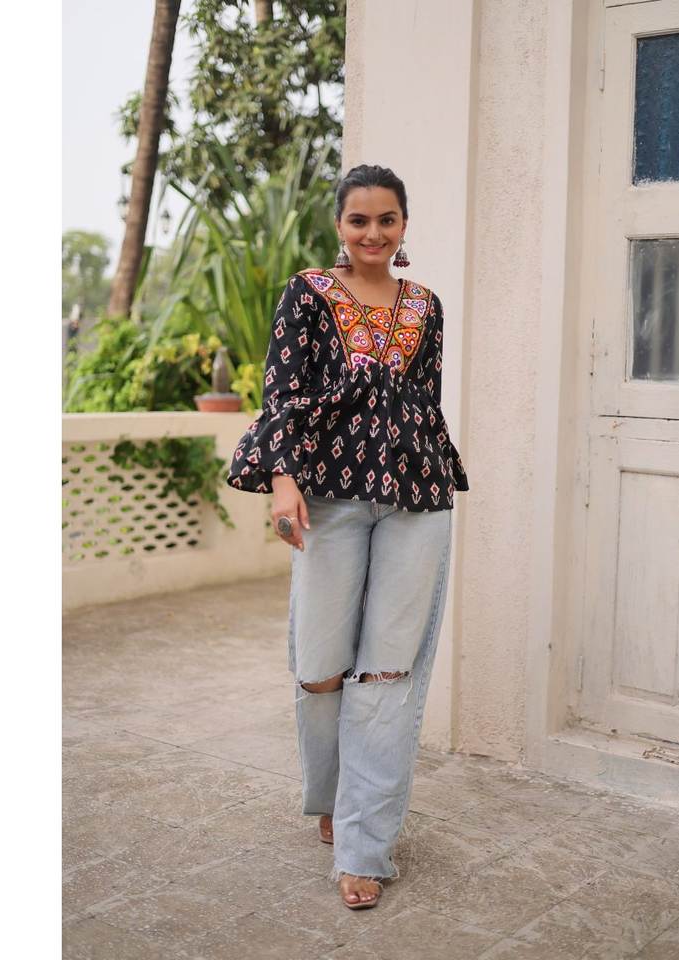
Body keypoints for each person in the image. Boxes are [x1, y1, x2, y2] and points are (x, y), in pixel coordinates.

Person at [226, 164, 469, 910]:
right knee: (321, 666)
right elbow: (282, 391)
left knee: (387, 672)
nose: (373, 233)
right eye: (359, 220)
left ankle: (364, 846)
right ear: (340, 225)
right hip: (328, 497)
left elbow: (423, 401)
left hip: (415, 496)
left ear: (403, 226)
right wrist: (284, 480)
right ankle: (331, 796)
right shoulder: (306, 293)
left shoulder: (425, 305)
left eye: (386, 220)